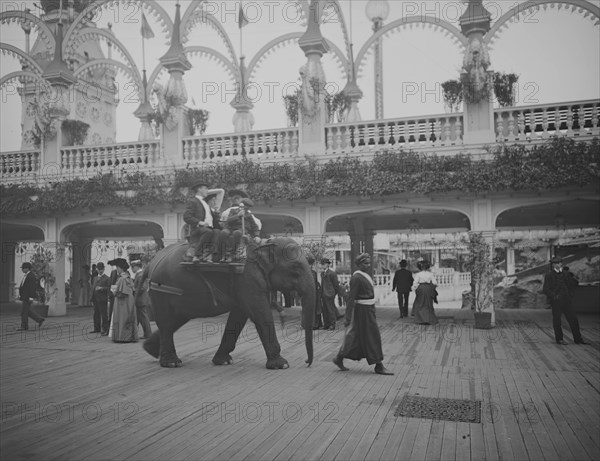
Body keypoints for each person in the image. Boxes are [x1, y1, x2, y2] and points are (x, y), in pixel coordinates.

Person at [333, 253, 393, 375]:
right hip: (362, 311)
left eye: (369, 263)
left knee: (357, 336)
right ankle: (378, 365)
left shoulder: (365, 275)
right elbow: (351, 298)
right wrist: (348, 317)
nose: (369, 265)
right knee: (373, 336)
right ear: (359, 264)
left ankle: (339, 357)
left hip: (369, 310)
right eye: (366, 263)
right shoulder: (356, 278)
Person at [542, 256, 588, 345]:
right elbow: (546, 289)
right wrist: (554, 296)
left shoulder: (566, 274)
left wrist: (570, 295)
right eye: (554, 264)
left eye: (557, 263)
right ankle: (559, 339)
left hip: (567, 300)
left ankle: (578, 339)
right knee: (557, 320)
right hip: (556, 301)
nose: (555, 265)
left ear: (561, 263)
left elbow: (572, 285)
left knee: (573, 319)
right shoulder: (549, 275)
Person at [220, 189, 262, 259]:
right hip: (230, 228)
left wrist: (257, 235)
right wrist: (238, 215)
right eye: (243, 206)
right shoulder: (233, 211)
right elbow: (228, 220)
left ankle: (232, 253)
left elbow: (255, 226)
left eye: (246, 207)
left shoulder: (248, 214)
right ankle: (224, 254)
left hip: (240, 230)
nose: (244, 209)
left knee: (237, 233)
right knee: (223, 233)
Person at [183, 181, 218, 263]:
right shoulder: (193, 201)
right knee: (208, 231)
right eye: (205, 188)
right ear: (199, 189)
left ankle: (209, 255)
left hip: (208, 228)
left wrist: (215, 214)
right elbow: (187, 217)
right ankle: (197, 255)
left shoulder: (205, 203)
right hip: (197, 229)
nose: (207, 190)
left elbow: (209, 217)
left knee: (217, 232)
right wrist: (200, 222)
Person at [108, 258, 138, 343]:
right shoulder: (128, 277)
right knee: (128, 318)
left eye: (117, 267)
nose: (117, 269)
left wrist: (114, 291)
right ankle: (130, 336)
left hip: (122, 302)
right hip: (129, 301)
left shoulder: (122, 278)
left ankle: (122, 337)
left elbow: (121, 292)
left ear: (121, 268)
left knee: (122, 319)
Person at [17, 262, 44, 331]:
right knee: (26, 311)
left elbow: (32, 287)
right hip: (24, 296)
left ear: (27, 268)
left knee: (24, 311)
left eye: (23, 268)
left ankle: (24, 326)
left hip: (27, 297)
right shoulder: (26, 275)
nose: (22, 269)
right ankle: (39, 319)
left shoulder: (31, 276)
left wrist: (31, 297)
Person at [411, 260, 439, 326]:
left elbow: (415, 283)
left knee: (420, 303)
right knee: (428, 303)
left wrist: (414, 288)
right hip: (428, 288)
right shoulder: (430, 274)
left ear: (421, 267)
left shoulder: (418, 274)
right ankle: (428, 319)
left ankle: (421, 319)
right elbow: (435, 283)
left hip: (421, 288)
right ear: (428, 267)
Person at [131, 260, 152, 339]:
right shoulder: (140, 274)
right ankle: (146, 333)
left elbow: (142, 288)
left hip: (140, 299)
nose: (132, 269)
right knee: (141, 317)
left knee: (143, 317)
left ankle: (148, 334)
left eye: (132, 267)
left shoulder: (140, 275)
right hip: (142, 299)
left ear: (136, 267)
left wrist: (134, 291)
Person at [320, 258, 343, 330]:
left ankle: (332, 325)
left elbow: (336, 285)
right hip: (324, 294)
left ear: (327, 264)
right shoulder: (322, 273)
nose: (322, 265)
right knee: (325, 310)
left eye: (324, 264)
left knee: (330, 310)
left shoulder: (332, 273)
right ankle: (326, 324)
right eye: (322, 264)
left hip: (330, 294)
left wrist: (334, 293)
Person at [90, 262, 110, 335]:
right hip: (95, 298)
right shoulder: (95, 278)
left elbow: (109, 288)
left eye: (102, 269)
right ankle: (96, 328)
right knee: (96, 314)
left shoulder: (107, 278)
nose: (100, 271)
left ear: (104, 269)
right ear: (97, 269)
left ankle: (105, 329)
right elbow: (92, 288)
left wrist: (102, 288)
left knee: (104, 314)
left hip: (102, 298)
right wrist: (91, 298)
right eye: (99, 269)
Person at [306, 256, 323, 329]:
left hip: (309, 293)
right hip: (314, 293)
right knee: (316, 308)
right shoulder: (313, 273)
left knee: (311, 309)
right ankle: (316, 324)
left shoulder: (307, 272)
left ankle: (313, 324)